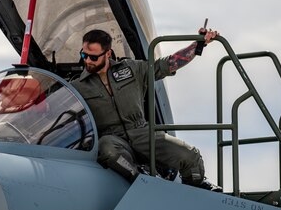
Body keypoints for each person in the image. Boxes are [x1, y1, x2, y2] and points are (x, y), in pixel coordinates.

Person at [71, 28, 222, 192]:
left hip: (142, 133)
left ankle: (196, 188)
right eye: (84, 55)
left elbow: (168, 64)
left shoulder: (132, 69)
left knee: (190, 156)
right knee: (107, 149)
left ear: (108, 53)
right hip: (113, 139)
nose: (87, 61)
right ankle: (143, 180)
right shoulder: (77, 86)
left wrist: (198, 44)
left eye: (93, 57)